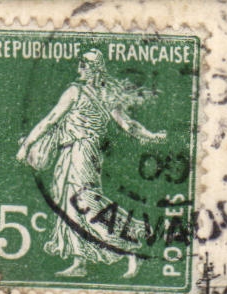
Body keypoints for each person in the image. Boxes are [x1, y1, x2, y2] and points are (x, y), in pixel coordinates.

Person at [16, 50, 168, 278]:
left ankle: (131, 244)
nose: (79, 69)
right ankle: (80, 262)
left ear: (92, 68)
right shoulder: (106, 95)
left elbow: (50, 120)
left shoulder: (74, 91)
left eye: (83, 65)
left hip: (79, 152)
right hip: (84, 153)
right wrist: (151, 135)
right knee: (71, 206)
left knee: (85, 204)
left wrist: (26, 145)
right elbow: (130, 125)